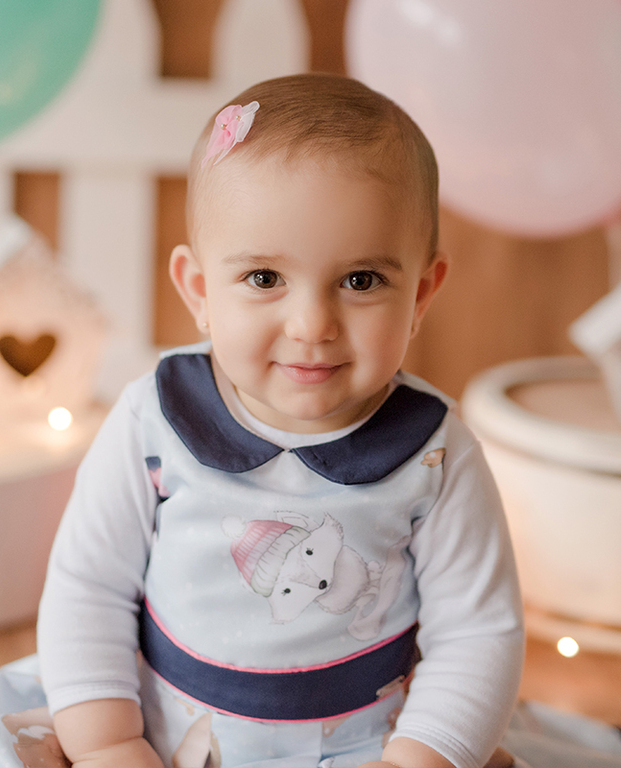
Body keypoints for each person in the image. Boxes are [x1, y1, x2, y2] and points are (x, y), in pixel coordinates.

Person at [36, 73, 525, 768]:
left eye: (361, 281)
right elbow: (88, 586)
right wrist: (107, 742)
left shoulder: (435, 454)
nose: (312, 325)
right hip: (162, 731)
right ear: (200, 291)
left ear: (421, 294)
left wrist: (424, 756)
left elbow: (480, 634)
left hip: (367, 744)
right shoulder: (155, 418)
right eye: (264, 278)